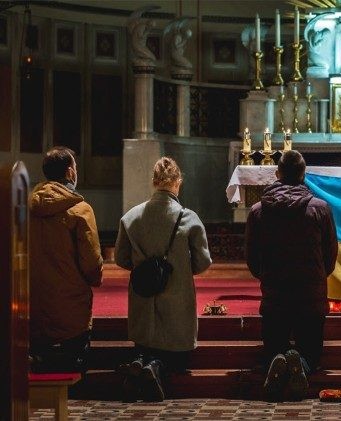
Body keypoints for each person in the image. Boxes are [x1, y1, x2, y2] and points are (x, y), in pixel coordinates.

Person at [114, 157, 212, 402]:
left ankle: (141, 363)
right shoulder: (188, 218)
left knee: (145, 344)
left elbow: (121, 258)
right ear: (178, 182)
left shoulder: (130, 217)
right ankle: (156, 367)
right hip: (176, 304)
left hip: (143, 298)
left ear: (154, 182)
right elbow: (203, 262)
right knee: (177, 359)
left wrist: (145, 267)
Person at [245, 150, 338, 401]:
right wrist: (317, 276)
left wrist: (267, 275)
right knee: (312, 352)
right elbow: (330, 257)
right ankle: (300, 365)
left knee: (273, 344)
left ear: (277, 174)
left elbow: (252, 260)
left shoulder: (257, 211)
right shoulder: (320, 209)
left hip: (275, 295)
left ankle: (279, 358)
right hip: (310, 296)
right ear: (304, 175)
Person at [29, 147, 103, 375]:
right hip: (71, 307)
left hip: (34, 305)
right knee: (74, 365)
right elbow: (91, 263)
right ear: (70, 172)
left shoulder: (25, 208)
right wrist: (94, 279)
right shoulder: (80, 210)